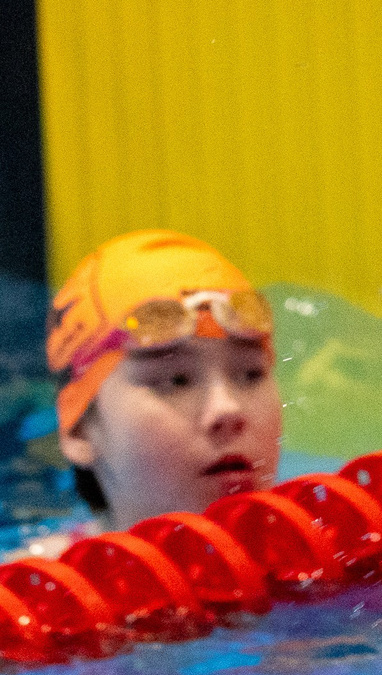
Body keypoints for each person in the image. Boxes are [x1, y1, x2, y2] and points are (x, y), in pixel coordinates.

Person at [18, 229, 282, 557]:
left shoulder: (332, 553)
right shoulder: (35, 583)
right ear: (79, 431)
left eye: (251, 374)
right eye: (176, 381)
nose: (228, 410)